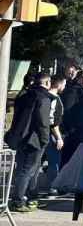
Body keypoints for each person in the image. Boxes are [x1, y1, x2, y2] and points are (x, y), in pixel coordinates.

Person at [6, 72, 57, 212]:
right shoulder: (43, 98)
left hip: (21, 138)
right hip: (34, 140)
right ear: (47, 83)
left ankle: (31, 198)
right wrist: (45, 139)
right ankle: (17, 201)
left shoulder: (25, 95)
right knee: (27, 171)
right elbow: (43, 122)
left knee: (28, 170)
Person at [60, 70, 83, 167]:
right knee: (69, 160)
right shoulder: (73, 91)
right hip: (75, 132)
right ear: (79, 79)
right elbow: (67, 111)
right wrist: (71, 129)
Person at [44, 75, 67, 194]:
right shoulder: (53, 98)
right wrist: (58, 137)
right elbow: (52, 121)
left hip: (46, 134)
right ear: (58, 85)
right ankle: (52, 187)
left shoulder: (47, 96)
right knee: (54, 162)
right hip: (51, 135)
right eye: (64, 84)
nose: (65, 87)